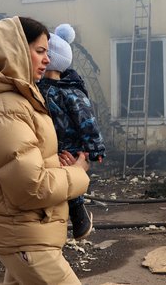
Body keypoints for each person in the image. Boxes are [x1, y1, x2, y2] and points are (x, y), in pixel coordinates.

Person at [0, 16, 90, 285]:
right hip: (28, 240)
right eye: (40, 51)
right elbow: (30, 187)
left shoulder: (18, 100)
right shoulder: (4, 108)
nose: (47, 60)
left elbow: (28, 166)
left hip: (30, 235)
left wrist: (59, 166)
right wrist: (78, 173)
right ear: (15, 50)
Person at [37, 23, 106, 241]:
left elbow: (87, 121)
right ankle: (71, 221)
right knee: (61, 185)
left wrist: (94, 149)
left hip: (64, 146)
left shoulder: (65, 91)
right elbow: (88, 121)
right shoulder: (49, 89)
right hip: (54, 146)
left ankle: (78, 217)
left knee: (68, 183)